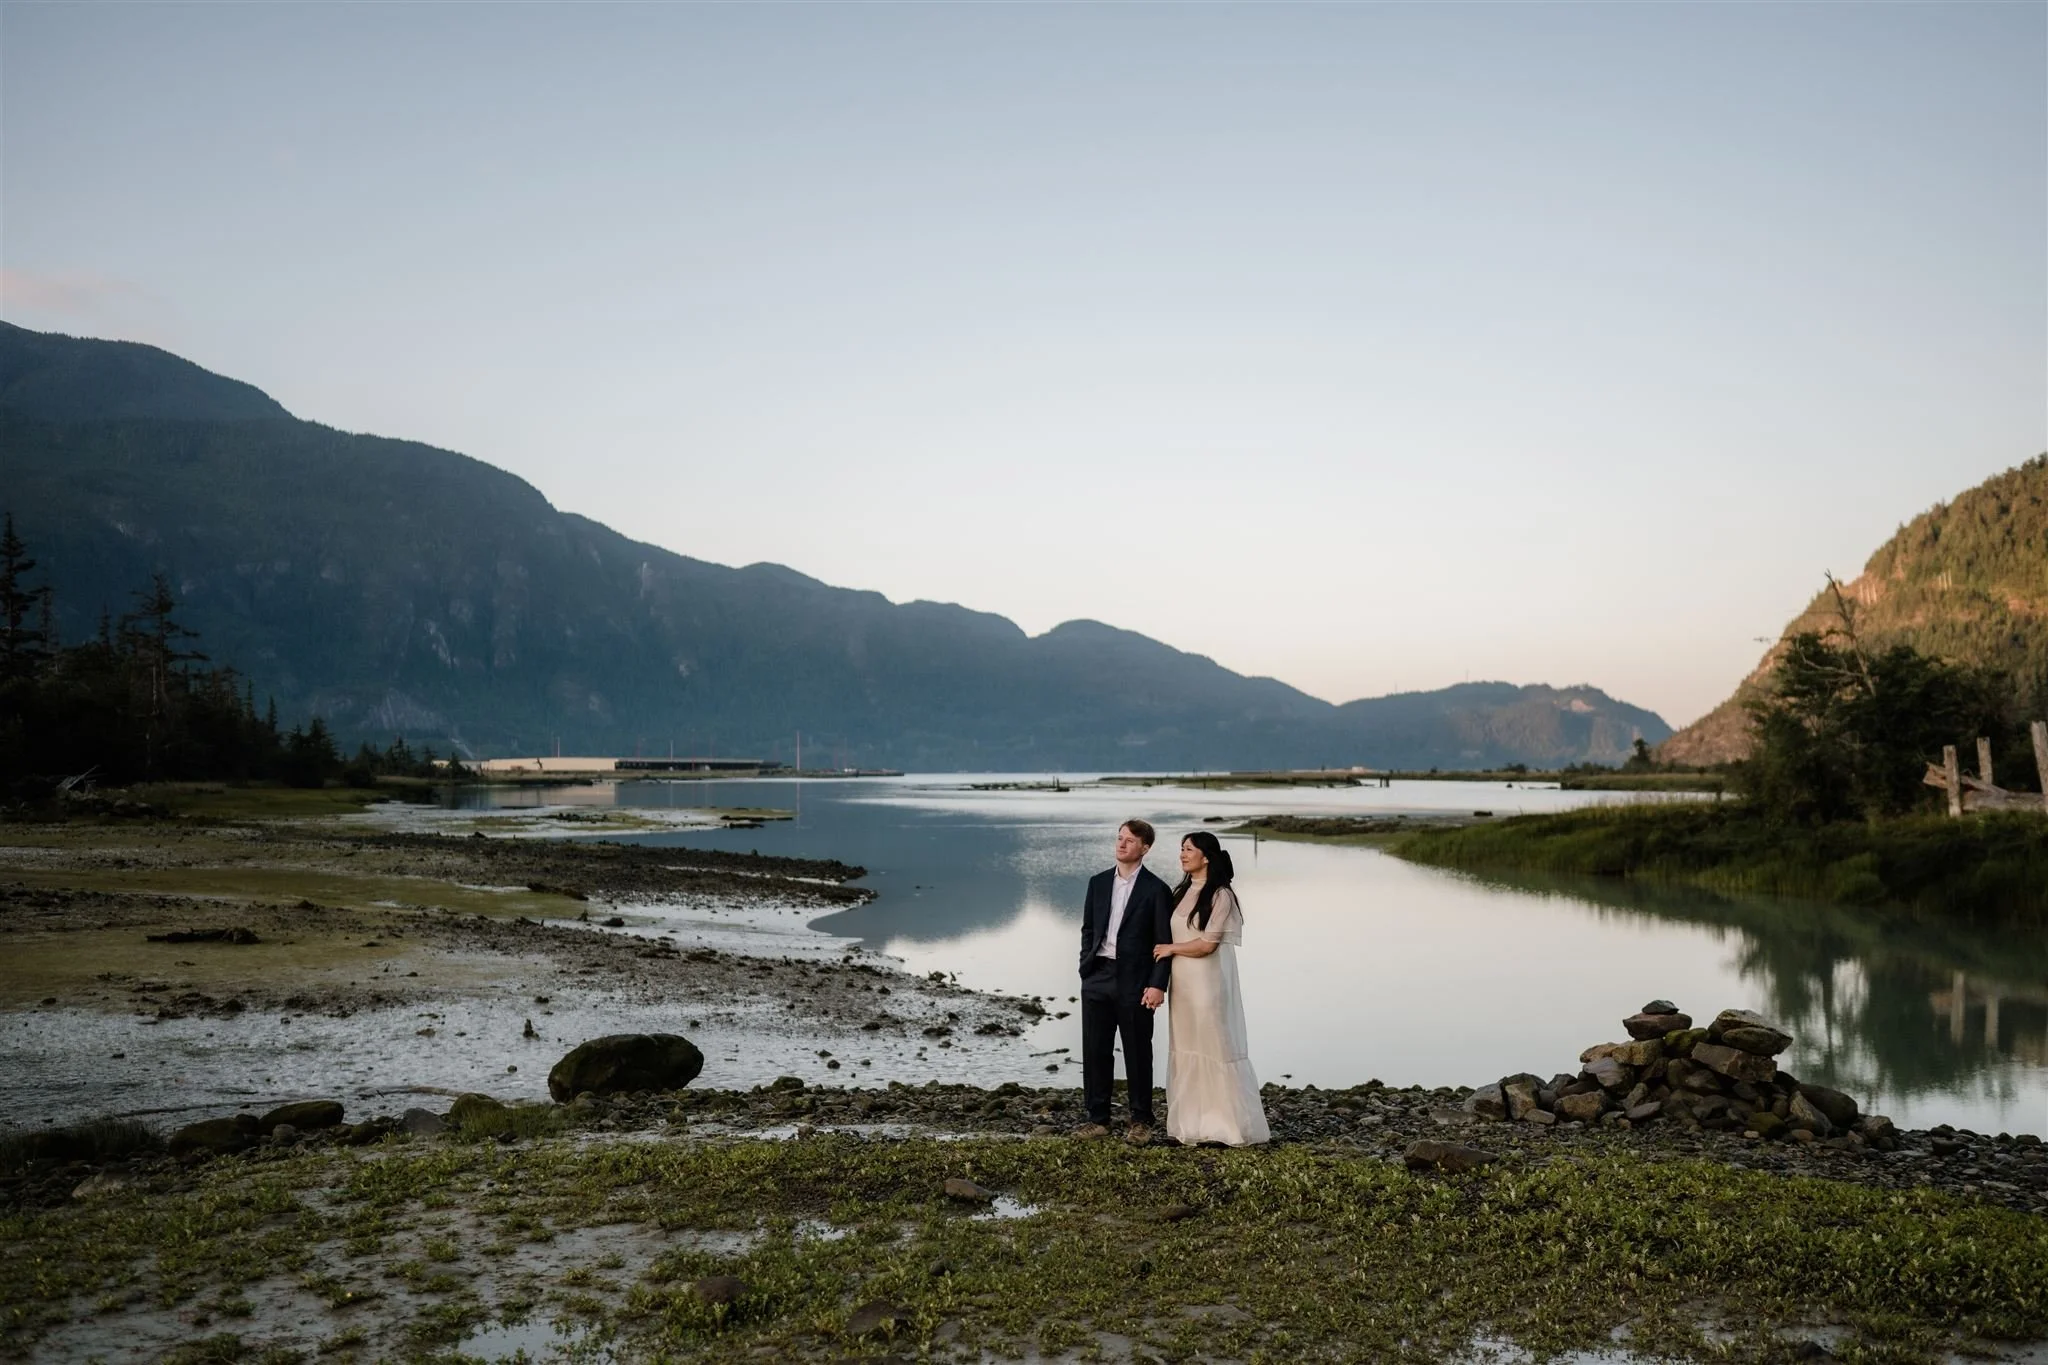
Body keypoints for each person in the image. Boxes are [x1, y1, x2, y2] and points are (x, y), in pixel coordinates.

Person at [1152, 830, 1270, 1147]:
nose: (1182, 854)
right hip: (1183, 986)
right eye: (1181, 848)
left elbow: (1208, 945)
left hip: (1207, 984)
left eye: (1188, 849)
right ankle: (1188, 1126)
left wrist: (1171, 948)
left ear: (1206, 856)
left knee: (1213, 1046)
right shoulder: (1181, 891)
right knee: (1186, 1047)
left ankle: (1224, 1126)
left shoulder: (1221, 895)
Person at [1075, 818, 1175, 1143]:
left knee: (1137, 1050)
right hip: (1097, 975)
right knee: (1095, 1050)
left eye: (1130, 840)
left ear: (1145, 848)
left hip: (1135, 980)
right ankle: (1098, 1119)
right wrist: (1085, 967)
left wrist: (1158, 984)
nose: (1121, 844)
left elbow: (1164, 942)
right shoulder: (1098, 882)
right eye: (1119, 838)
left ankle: (1141, 1121)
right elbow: (1088, 929)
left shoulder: (1157, 890)